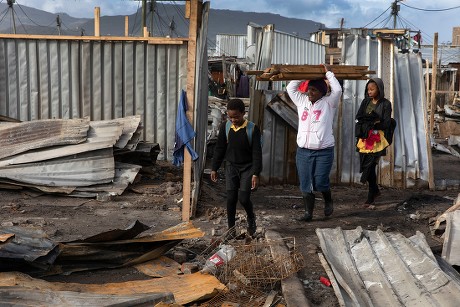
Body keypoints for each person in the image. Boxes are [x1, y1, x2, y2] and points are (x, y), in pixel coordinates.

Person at [286, 64, 342, 222]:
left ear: (322, 92)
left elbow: (337, 90)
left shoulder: (329, 103)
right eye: (309, 89)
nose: (309, 92)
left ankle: (328, 199)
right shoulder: (301, 101)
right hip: (303, 151)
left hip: (324, 150)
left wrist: (329, 74)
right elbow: (291, 88)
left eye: (314, 90)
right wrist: (306, 73)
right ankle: (308, 213)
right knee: (305, 183)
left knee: (320, 181)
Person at [211, 99, 263, 236]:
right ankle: (231, 229)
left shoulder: (252, 129)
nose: (233, 120)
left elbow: (257, 153)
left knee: (244, 198)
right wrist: (214, 168)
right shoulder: (225, 127)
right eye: (230, 117)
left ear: (243, 113)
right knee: (231, 198)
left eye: (236, 117)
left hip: (247, 168)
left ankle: (251, 218)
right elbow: (220, 148)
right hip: (231, 167)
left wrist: (256, 173)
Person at [355, 78, 394, 207]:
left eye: (372, 89)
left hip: (378, 139)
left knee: (370, 165)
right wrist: (370, 122)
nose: (370, 91)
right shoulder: (366, 102)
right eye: (368, 89)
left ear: (379, 89)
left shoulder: (386, 104)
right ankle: (375, 190)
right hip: (365, 137)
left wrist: (374, 124)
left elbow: (387, 122)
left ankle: (371, 196)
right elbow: (359, 116)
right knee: (366, 166)